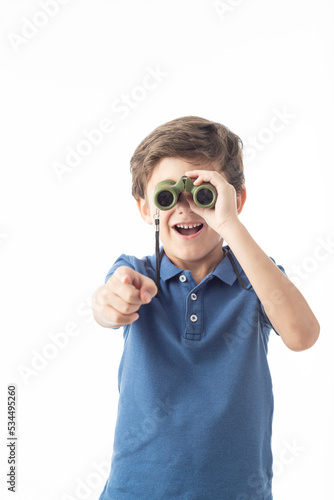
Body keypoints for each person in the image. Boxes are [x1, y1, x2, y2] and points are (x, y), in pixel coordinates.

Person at [92, 116, 320, 500]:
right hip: (137, 491)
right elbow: (106, 303)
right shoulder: (136, 271)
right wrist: (113, 300)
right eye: (167, 196)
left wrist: (229, 224)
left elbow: (302, 335)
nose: (185, 208)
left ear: (236, 200)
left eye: (203, 193)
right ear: (147, 208)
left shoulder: (256, 280)